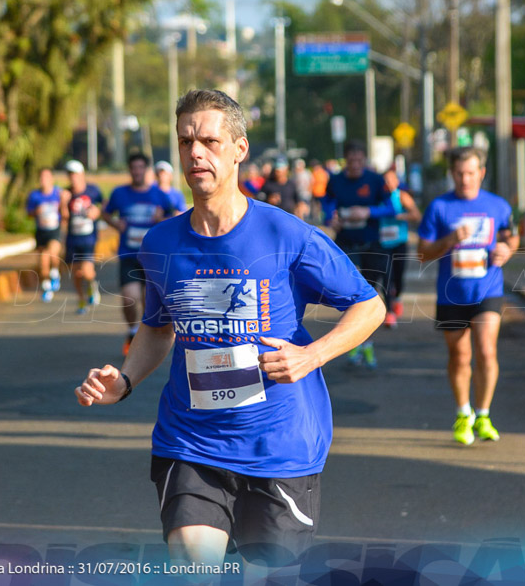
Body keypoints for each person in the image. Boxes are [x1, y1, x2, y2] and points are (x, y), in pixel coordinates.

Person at [75, 89, 384, 568]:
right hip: (191, 441)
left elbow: (369, 306)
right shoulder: (160, 242)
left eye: (209, 141)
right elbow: (158, 329)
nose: (195, 152)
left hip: (278, 448)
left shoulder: (286, 234)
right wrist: (126, 379)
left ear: (239, 149)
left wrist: (311, 355)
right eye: (184, 142)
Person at [417, 146, 519, 445]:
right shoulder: (439, 207)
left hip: (488, 289)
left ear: (481, 173)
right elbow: (422, 253)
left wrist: (508, 250)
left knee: (487, 351)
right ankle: (464, 413)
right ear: (452, 174)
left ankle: (483, 413)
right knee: (460, 356)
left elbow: (511, 235)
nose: (465, 179)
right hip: (451, 294)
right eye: (460, 174)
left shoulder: (497, 206)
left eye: (471, 173)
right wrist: (449, 240)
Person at [322, 140, 395, 369]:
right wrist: (330, 218)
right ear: (345, 161)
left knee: (371, 295)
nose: (354, 165)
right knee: (351, 294)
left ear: (364, 160)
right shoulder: (335, 181)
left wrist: (368, 211)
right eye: (350, 160)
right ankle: (356, 342)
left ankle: (366, 342)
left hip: (372, 243)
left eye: (358, 160)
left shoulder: (375, 180)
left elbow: (392, 208)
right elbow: (326, 205)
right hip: (345, 244)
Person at [102, 153, 174, 356]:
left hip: (151, 256)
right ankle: (132, 331)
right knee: (129, 298)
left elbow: (173, 218)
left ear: (147, 170)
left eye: (141, 167)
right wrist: (115, 223)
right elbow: (105, 212)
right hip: (128, 254)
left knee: (146, 298)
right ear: (130, 170)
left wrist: (161, 219)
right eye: (134, 168)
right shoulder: (119, 193)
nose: (137, 171)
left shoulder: (159, 194)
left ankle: (146, 338)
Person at [379, 168, 421, 328]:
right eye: (385, 181)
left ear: (397, 181)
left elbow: (416, 215)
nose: (388, 184)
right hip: (383, 244)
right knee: (386, 277)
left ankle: (397, 298)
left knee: (398, 277)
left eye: (391, 180)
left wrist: (400, 216)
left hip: (399, 243)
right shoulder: (380, 197)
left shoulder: (402, 196)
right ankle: (389, 312)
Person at [60, 160, 104, 314]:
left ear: (82, 174)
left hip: (88, 238)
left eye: (75, 174)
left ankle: (92, 286)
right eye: (70, 174)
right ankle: (81, 300)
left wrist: (96, 212)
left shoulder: (93, 190)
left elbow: (104, 206)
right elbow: (64, 218)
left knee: (86, 270)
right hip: (73, 239)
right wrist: (63, 202)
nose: (72, 178)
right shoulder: (66, 194)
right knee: (76, 273)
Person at [26, 168, 63, 303]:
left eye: (46, 177)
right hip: (41, 231)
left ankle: (55, 272)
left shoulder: (59, 193)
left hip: (55, 229)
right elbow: (29, 214)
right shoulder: (34, 196)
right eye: (41, 178)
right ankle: (46, 285)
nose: (44, 180)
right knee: (42, 260)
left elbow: (65, 209)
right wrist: (36, 211)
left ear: (52, 178)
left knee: (52, 252)